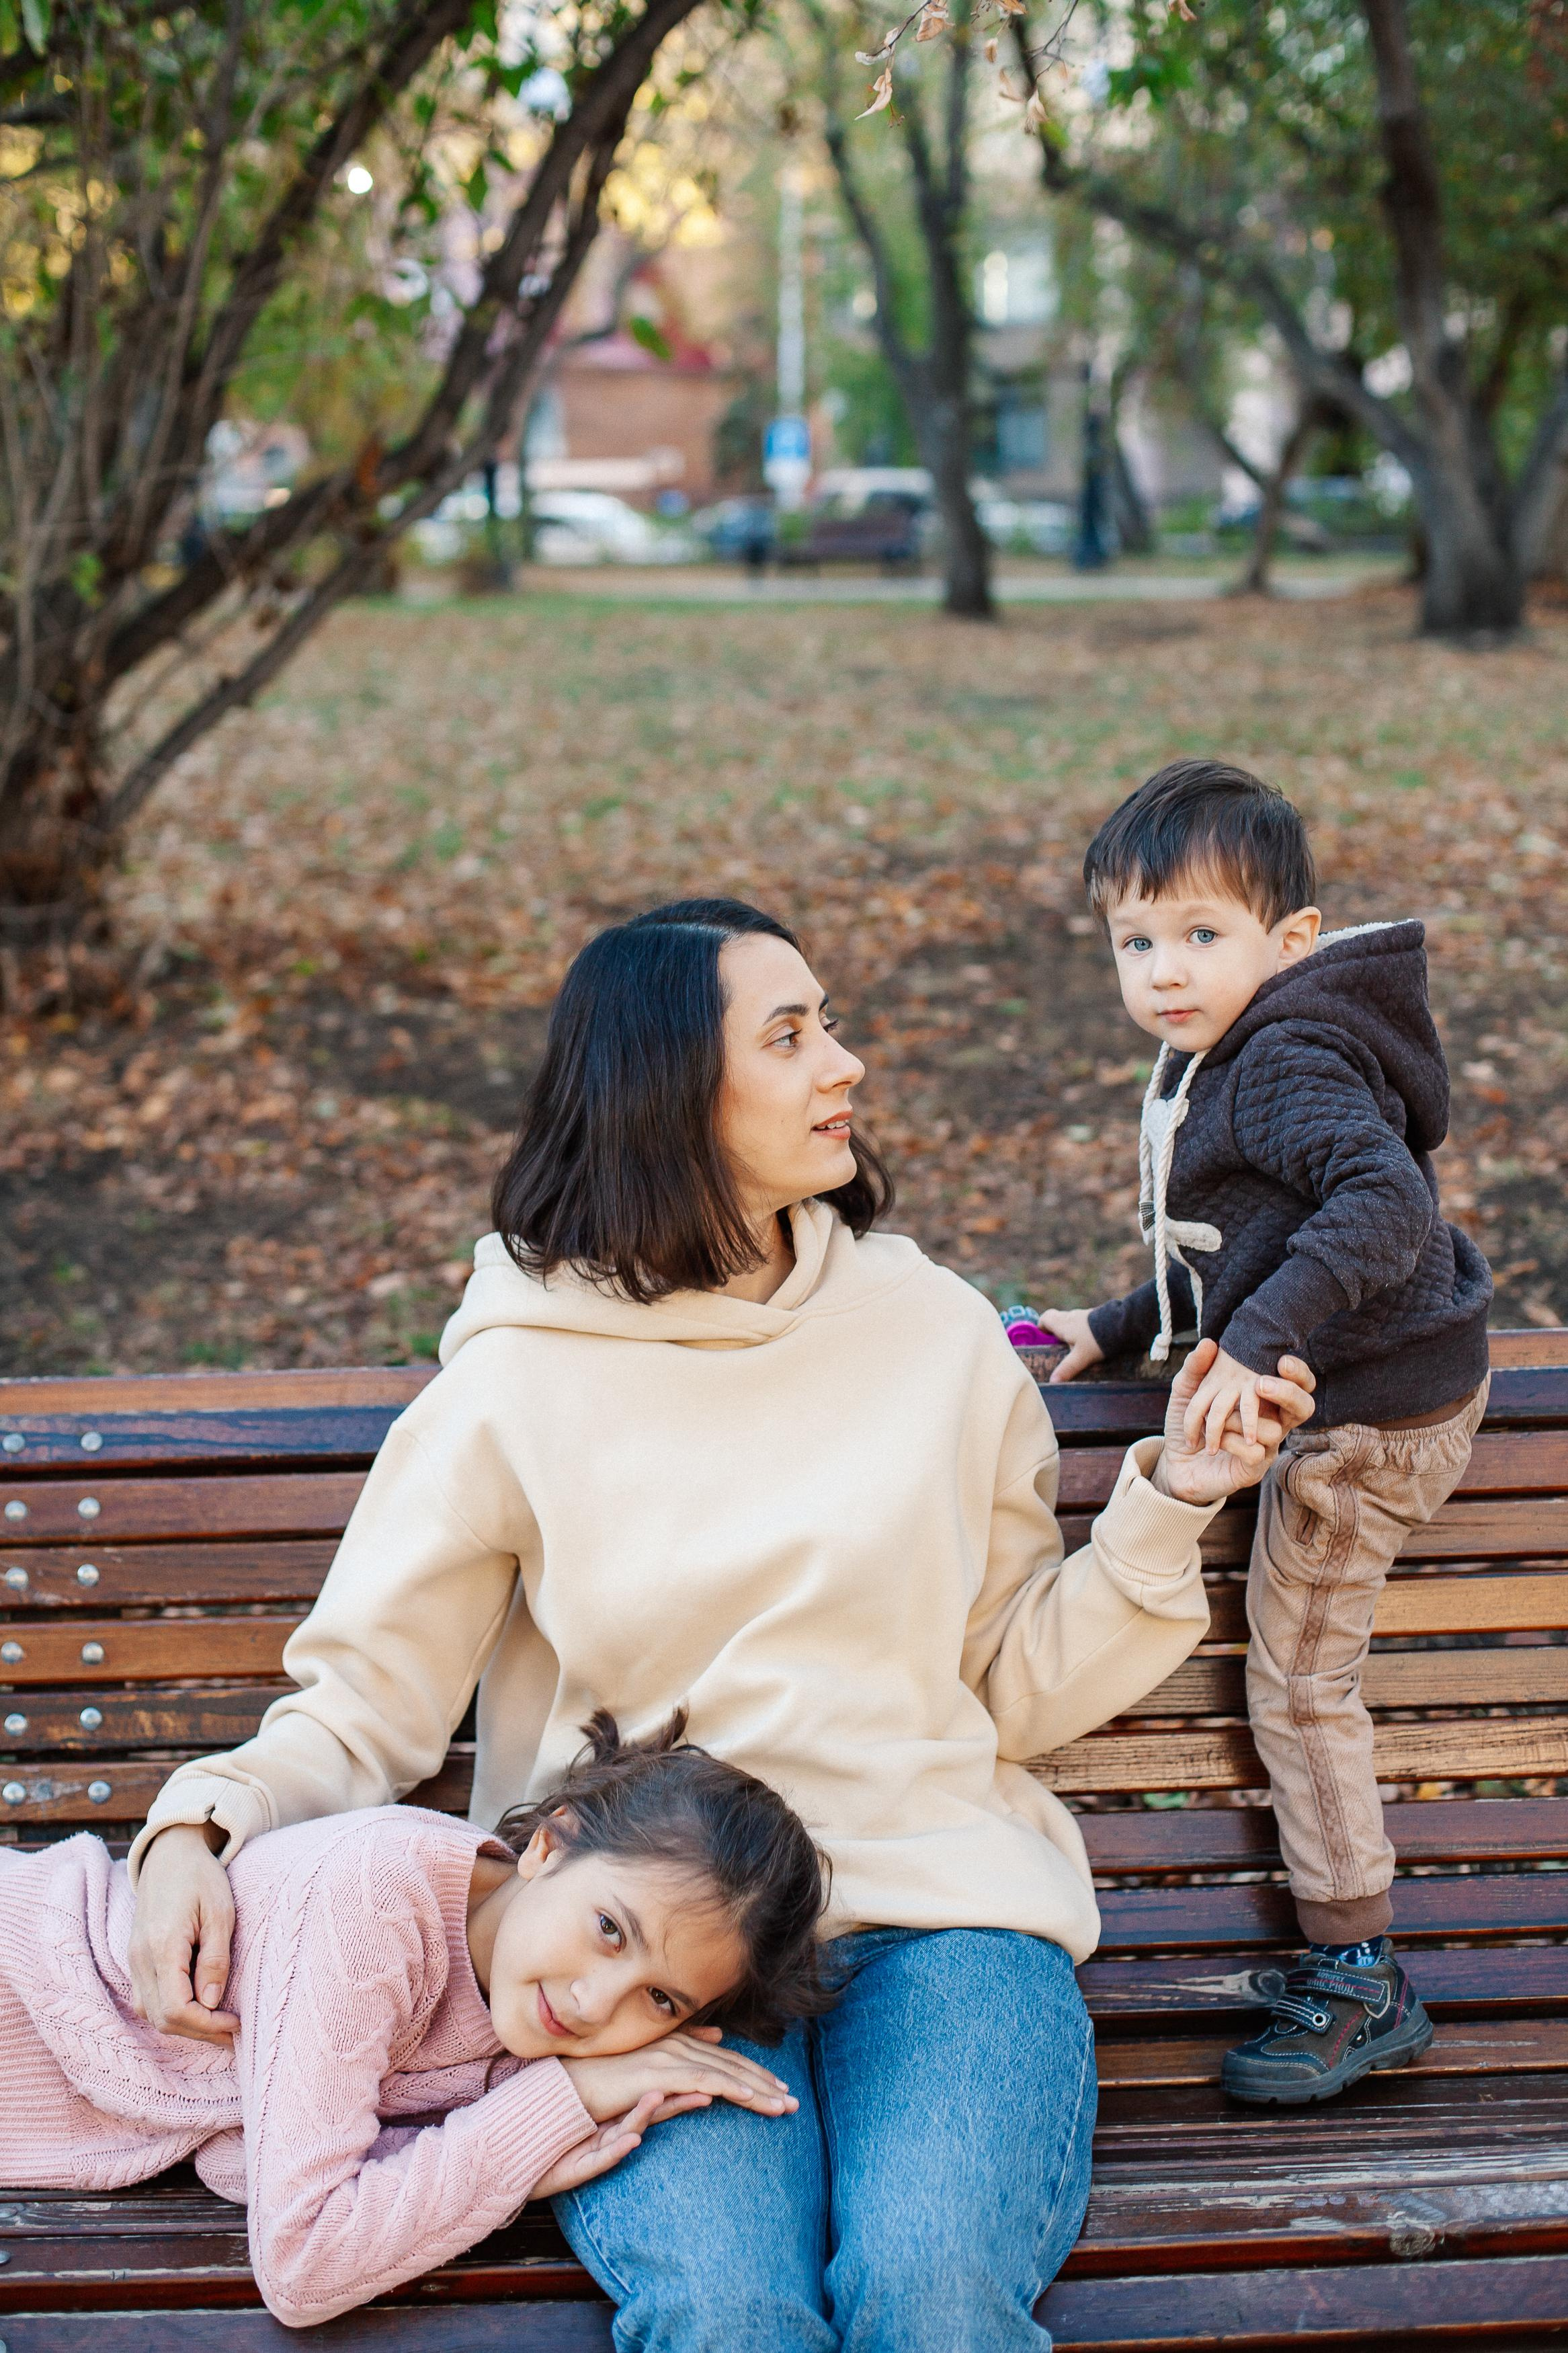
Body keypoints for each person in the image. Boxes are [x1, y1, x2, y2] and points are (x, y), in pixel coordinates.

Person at [125, 896, 1315, 2350]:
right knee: (730, 2311)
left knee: (932, 2297)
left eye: (828, 1024)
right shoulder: (514, 1384)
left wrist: (1163, 1505)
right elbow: (366, 1706)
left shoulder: (932, 1335)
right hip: (644, 1972)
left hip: (937, 1919)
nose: (845, 1066)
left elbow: (998, 1685)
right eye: (791, 1034)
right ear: (670, 1092)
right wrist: (199, 1823)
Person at [1039, 762, 1493, 2106]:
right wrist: (1120, 1323)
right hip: (1346, 1376)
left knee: (1296, 1680)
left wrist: (1249, 1341)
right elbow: (1232, 1239)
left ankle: (1360, 1972)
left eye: (1198, 934)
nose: (1162, 970)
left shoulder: (1282, 1055)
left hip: (1370, 1419)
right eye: (1135, 940)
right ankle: (1350, 1965)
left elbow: (1379, 1204)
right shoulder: (1215, 1051)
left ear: (1286, 943)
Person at [1, 1712, 825, 2329]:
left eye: (661, 1999)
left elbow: (241, 2155)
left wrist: (533, 2123)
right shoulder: (376, 1905)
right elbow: (304, 2260)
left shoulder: (520, 2017)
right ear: (548, 1846)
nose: (592, 2003)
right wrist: (558, 2108)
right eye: (611, 1928)